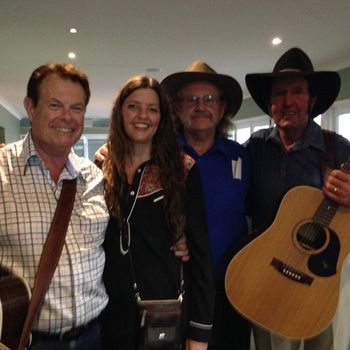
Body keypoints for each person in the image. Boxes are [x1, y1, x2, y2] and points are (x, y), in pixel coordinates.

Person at [244, 47, 350, 350]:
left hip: (319, 280)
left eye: (297, 92)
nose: (287, 101)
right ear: (269, 103)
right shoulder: (254, 148)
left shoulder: (338, 149)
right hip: (268, 273)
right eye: (279, 93)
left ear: (312, 99)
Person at [0, 63, 110, 349]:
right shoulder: (1, 173)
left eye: (77, 107)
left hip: (96, 335)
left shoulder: (94, 176)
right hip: (29, 341)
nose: (67, 117)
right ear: (30, 107)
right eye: (55, 104)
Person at [102, 75, 214, 350]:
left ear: (162, 118)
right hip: (109, 317)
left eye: (152, 109)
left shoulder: (183, 170)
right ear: (120, 112)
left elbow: (200, 256)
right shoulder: (100, 168)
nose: (143, 115)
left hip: (163, 315)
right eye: (133, 106)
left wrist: (199, 333)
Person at [161, 61, 251, 350]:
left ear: (222, 108)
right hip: (176, 290)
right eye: (191, 99)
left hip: (232, 292)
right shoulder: (160, 156)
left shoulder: (241, 158)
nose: (201, 106)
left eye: (209, 99)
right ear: (176, 108)